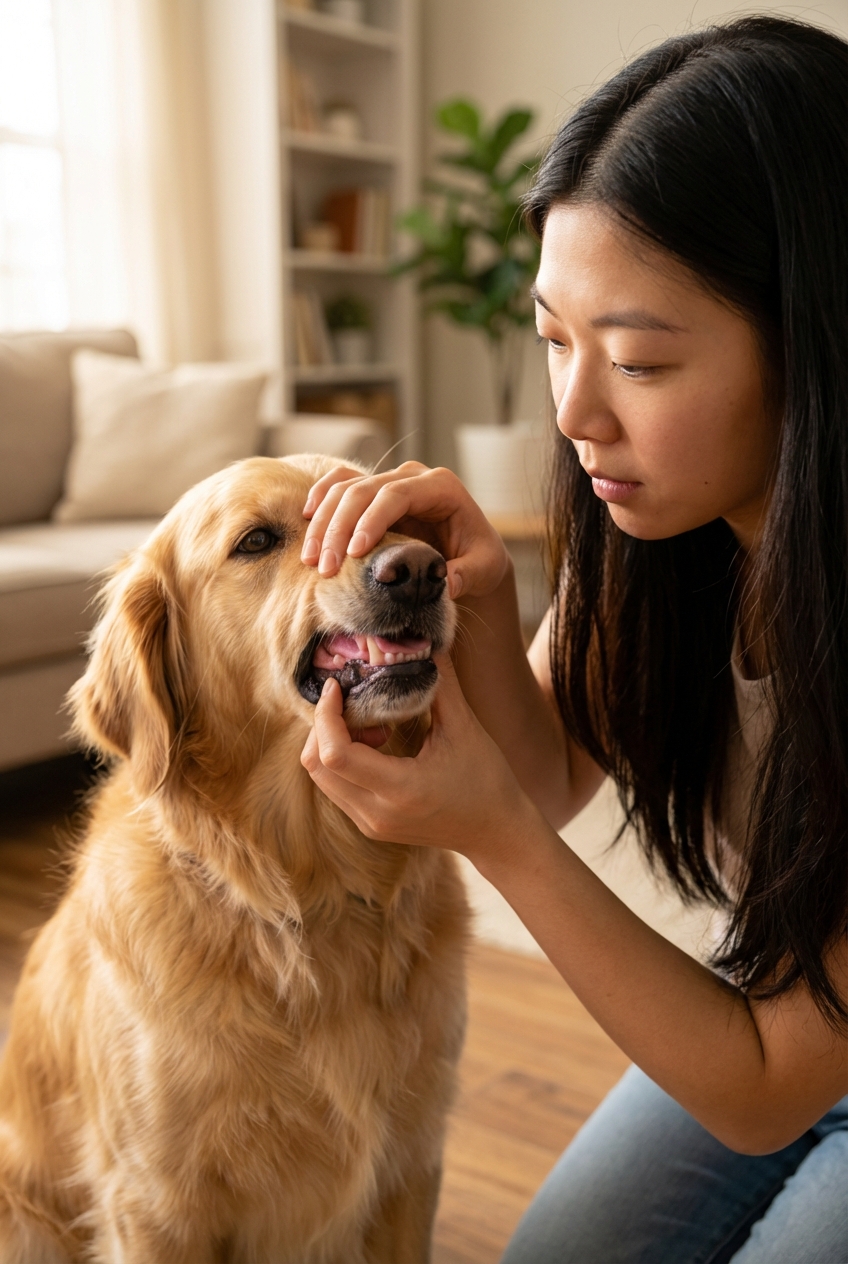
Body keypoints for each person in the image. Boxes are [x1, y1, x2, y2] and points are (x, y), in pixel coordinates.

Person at [298, 16, 848, 1263]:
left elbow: (759, 1085)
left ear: (817, 346)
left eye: (639, 362)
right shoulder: (662, 540)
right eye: (553, 338)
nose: (574, 412)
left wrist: (483, 832)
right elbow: (547, 771)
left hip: (777, 1048)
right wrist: (478, 610)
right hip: (777, 1014)